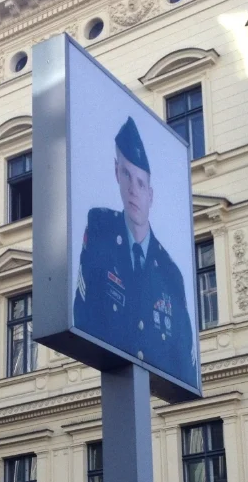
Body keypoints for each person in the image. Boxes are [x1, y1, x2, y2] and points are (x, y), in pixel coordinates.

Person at [73, 116, 198, 387]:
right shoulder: (99, 232)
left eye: (141, 183)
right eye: (127, 175)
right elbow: (82, 314)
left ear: (150, 195)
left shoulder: (170, 273)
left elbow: (184, 360)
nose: (133, 190)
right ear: (116, 173)